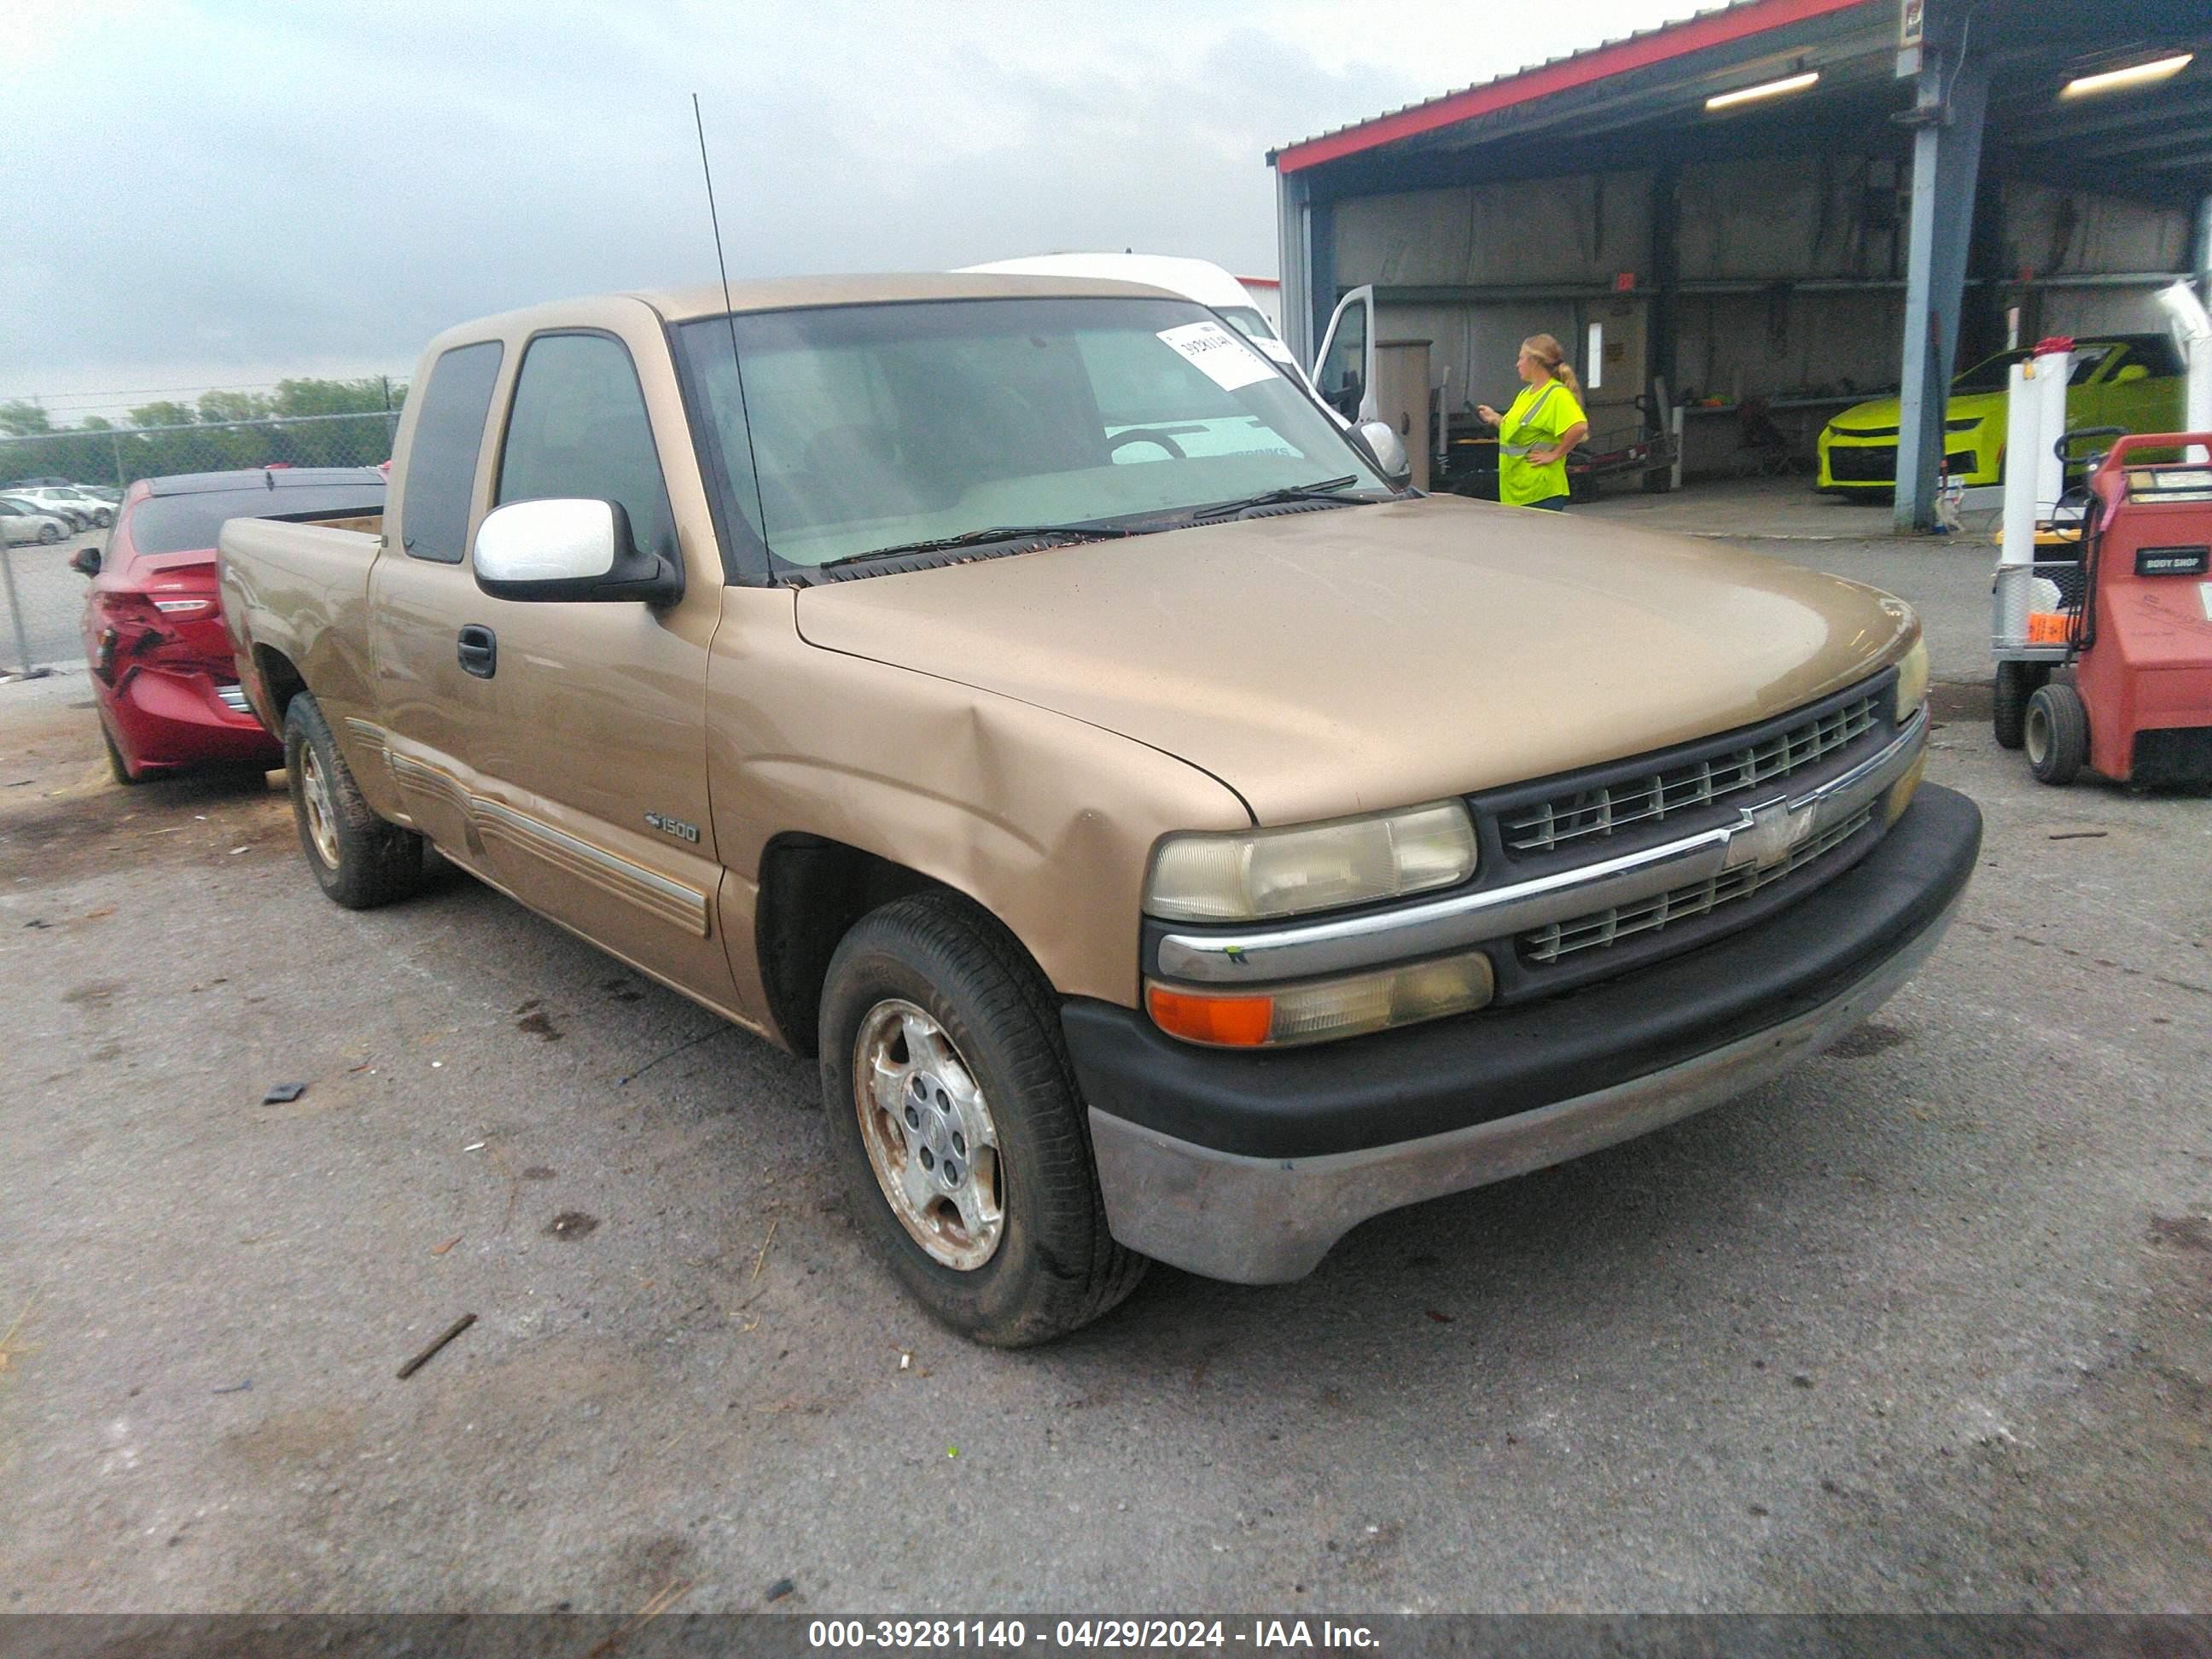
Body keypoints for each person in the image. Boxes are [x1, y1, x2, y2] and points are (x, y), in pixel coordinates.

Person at [1476, 335, 1590, 510]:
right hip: (1517, 490)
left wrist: (1554, 455)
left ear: (1535, 361)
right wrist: (1495, 418)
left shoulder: (1557, 395)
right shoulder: (1526, 394)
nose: (1517, 364)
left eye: (1521, 358)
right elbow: (1520, 430)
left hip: (1540, 492)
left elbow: (1579, 426)